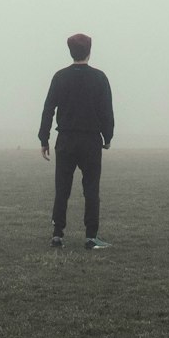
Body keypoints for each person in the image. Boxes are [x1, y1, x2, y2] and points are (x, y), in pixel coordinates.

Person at [39, 33, 114, 249]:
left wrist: (44, 138)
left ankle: (57, 235)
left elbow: (48, 109)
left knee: (62, 188)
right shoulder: (100, 78)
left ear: (70, 51)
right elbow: (106, 111)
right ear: (89, 51)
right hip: (90, 140)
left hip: (66, 140)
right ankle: (91, 237)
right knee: (91, 189)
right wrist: (107, 137)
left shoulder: (60, 77)